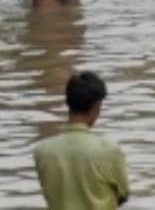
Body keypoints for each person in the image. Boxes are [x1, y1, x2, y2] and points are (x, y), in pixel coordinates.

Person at [33, 72, 129, 210]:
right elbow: (123, 194)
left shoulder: (41, 152)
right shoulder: (109, 150)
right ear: (96, 106)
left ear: (68, 103)